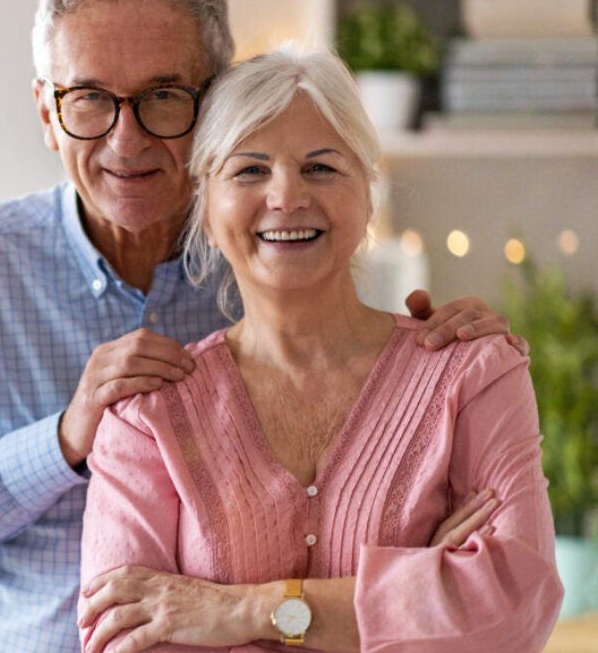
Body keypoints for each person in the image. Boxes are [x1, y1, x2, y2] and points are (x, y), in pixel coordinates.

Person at [0, 0, 520, 651]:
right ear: (48, 114)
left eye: (163, 96)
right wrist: (59, 441)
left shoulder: (278, 248)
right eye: (89, 99)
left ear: (215, 104)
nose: (126, 138)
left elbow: (377, 544)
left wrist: (419, 577)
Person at [77, 48, 563, 653]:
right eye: (249, 170)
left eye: (322, 168)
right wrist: (410, 598)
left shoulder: (474, 372)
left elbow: (516, 609)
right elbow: (118, 638)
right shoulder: (144, 416)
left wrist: (239, 610)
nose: (286, 196)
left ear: (367, 195)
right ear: (206, 206)